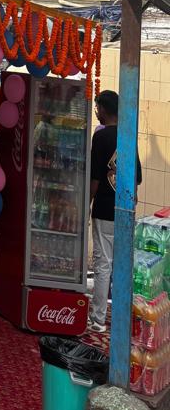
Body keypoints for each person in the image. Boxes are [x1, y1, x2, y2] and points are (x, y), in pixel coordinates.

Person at [89, 89, 141, 331]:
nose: (97, 112)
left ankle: (98, 319)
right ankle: (121, 320)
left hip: (104, 209)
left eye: (98, 107)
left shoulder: (100, 138)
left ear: (105, 110)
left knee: (103, 265)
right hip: (125, 209)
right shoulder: (129, 135)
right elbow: (136, 177)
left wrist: (88, 203)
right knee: (121, 264)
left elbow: (96, 178)